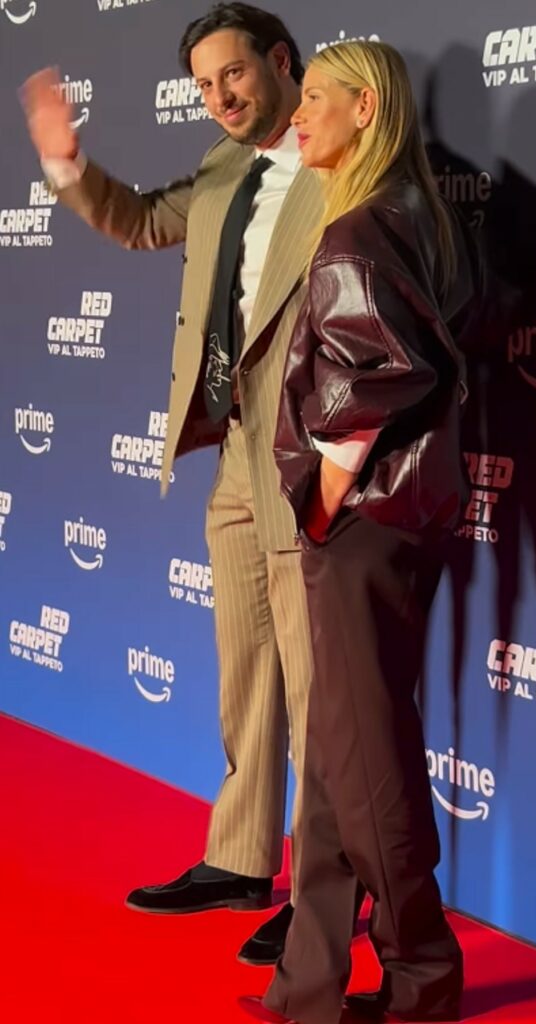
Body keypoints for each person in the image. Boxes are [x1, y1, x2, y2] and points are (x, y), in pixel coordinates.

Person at [19, 2, 325, 965]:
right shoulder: (225, 166)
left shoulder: (340, 162)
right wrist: (66, 163)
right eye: (202, 85)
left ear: (281, 61)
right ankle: (239, 859)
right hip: (231, 446)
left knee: (320, 687)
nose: (219, 97)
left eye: (232, 74)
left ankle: (325, 893)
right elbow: (144, 222)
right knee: (248, 666)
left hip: (311, 452)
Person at [240, 40, 477, 1024]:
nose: (297, 114)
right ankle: (310, 985)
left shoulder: (357, 230)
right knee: (341, 752)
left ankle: (422, 977)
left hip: (362, 521)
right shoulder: (415, 217)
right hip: (404, 517)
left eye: (315, 98)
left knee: (364, 758)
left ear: (366, 107)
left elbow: (373, 377)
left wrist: (323, 501)